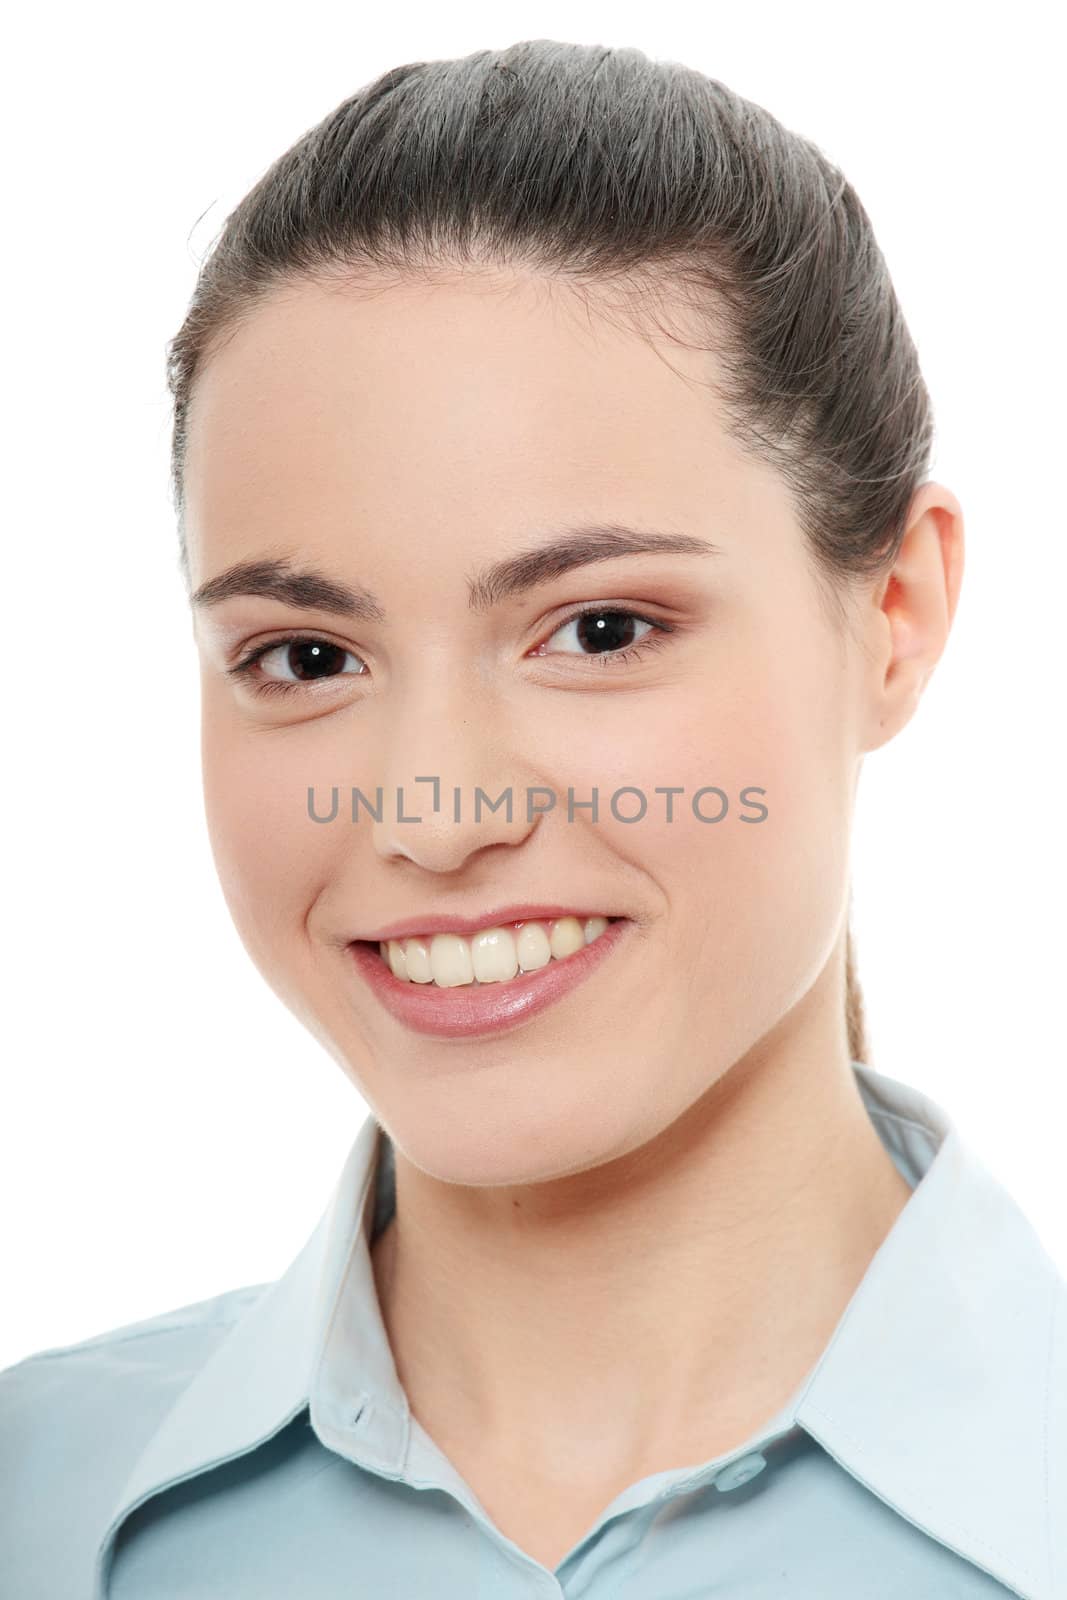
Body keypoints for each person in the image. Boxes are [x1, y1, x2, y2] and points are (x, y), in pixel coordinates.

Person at [3, 37, 1063, 1600]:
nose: (436, 813)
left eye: (601, 630)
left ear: (895, 611)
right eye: (308, 658)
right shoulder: (38, 1503)